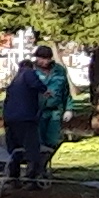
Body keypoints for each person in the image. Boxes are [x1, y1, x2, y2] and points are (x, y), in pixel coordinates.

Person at [0, 48, 48, 190]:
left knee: (14, 150)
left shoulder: (14, 80)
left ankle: (14, 178)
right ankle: (31, 179)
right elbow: (35, 84)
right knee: (32, 148)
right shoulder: (28, 73)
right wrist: (45, 90)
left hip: (10, 119)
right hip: (25, 118)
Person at [35, 46, 73, 176]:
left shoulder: (59, 71)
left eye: (46, 59)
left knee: (53, 141)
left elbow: (66, 91)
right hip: (37, 112)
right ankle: (36, 169)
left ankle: (43, 165)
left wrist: (69, 108)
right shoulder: (31, 71)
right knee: (38, 141)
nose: (43, 62)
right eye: (40, 58)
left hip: (55, 111)